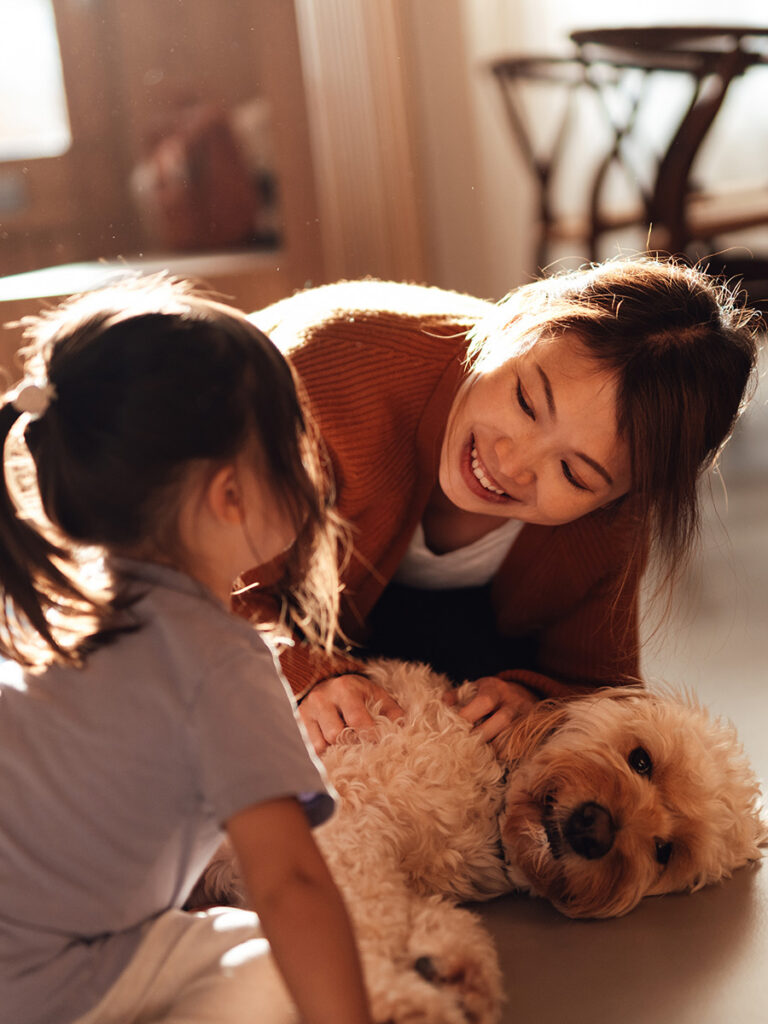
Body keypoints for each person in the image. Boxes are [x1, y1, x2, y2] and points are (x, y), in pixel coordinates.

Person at [0, 275, 372, 1024]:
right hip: (44, 986)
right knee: (270, 965)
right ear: (230, 496)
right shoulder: (218, 661)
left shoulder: (51, 611)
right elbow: (290, 884)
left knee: (218, 935)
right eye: (297, 443)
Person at [234, 257, 761, 754]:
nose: (512, 462)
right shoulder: (328, 376)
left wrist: (535, 704)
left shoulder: (611, 520)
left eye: (574, 474)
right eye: (526, 402)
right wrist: (301, 674)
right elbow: (196, 583)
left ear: (623, 497)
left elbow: (600, 692)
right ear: (515, 323)